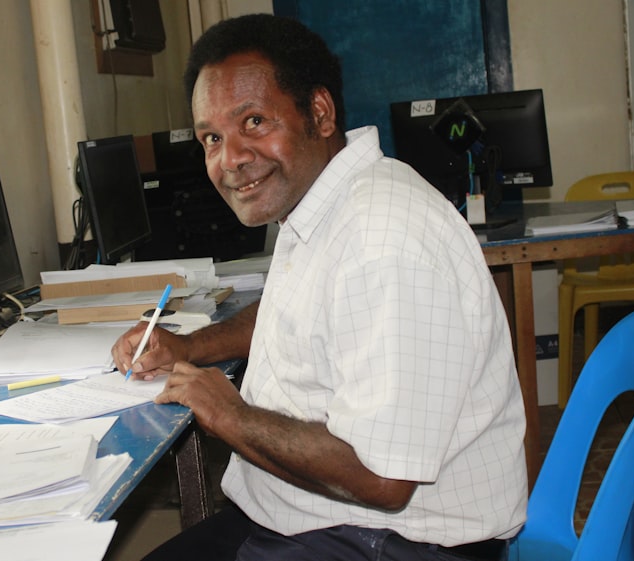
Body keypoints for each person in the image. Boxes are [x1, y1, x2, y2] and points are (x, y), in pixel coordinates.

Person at [110, 13, 527, 561]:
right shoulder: (320, 200)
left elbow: (381, 477)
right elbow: (292, 314)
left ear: (320, 113)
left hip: (397, 542)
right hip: (318, 517)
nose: (229, 159)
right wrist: (188, 347)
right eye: (213, 137)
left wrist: (228, 412)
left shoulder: (383, 238)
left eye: (254, 122)